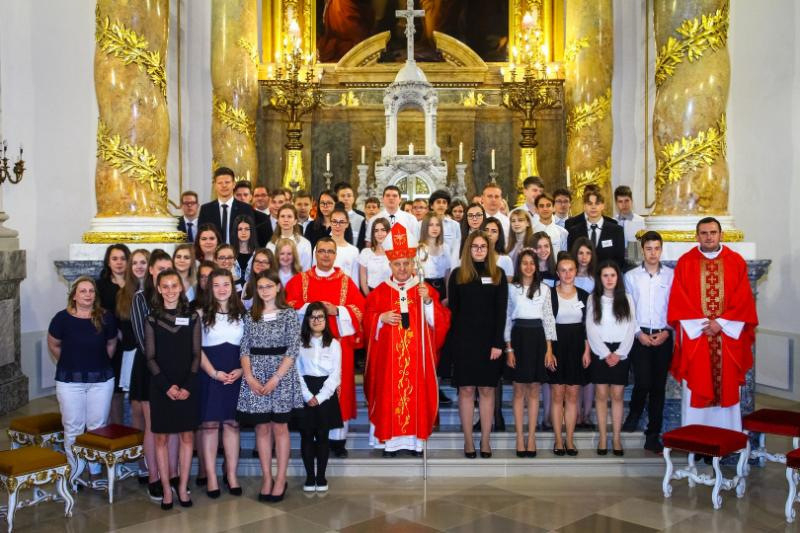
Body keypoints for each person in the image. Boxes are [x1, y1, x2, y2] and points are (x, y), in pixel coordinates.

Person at [364, 223, 450, 456]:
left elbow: (440, 323)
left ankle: (415, 443)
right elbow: (367, 320)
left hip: (416, 359)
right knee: (389, 397)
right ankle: (389, 443)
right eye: (397, 264)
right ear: (390, 265)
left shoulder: (423, 289)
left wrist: (429, 302)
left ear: (413, 264)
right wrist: (380, 318)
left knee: (415, 396)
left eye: (406, 263)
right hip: (388, 362)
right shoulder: (380, 292)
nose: (402, 268)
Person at [668, 217, 758, 431]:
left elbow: (744, 299)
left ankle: (728, 437)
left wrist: (721, 323)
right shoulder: (686, 262)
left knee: (727, 385)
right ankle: (695, 437)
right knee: (698, 380)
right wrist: (704, 324)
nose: (709, 237)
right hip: (697, 336)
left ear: (721, 235)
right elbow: (679, 300)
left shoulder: (735, 261)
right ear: (697, 236)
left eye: (713, 232)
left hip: (727, 336)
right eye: (704, 233)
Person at [285, 237, 365, 458]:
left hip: (338, 346)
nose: (326, 255)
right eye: (322, 251)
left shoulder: (346, 282)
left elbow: (359, 310)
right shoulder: (300, 280)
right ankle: (310, 437)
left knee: (339, 389)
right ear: (315, 254)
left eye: (330, 251)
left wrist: (337, 310)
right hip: (307, 347)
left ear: (335, 255)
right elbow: (288, 305)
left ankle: (337, 440)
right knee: (310, 387)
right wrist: (314, 308)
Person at [237, 270, 304, 502]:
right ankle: (267, 477)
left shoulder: (289, 314)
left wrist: (276, 377)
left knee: (280, 428)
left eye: (268, 286)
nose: (264, 291)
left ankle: (281, 478)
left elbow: (293, 348)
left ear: (278, 287)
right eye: (260, 287)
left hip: (281, 376)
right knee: (262, 428)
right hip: (255, 375)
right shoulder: (250, 315)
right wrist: (249, 377)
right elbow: (244, 348)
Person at [444, 231, 508, 459]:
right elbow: (453, 313)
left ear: (489, 250)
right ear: (468, 249)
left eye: (483, 246)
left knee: (487, 390)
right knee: (466, 390)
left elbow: (501, 312)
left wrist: (498, 343)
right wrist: (454, 345)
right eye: (475, 246)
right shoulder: (458, 275)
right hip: (464, 342)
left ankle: (486, 440)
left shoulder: (498, 274)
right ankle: (469, 441)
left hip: (490, 342)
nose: (479, 250)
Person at [47, 276, 118, 480]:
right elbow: (53, 344)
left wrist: (97, 362)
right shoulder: (61, 318)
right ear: (74, 296)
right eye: (83, 291)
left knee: (97, 426)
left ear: (95, 295)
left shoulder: (106, 317)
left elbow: (111, 344)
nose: (87, 294)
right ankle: (75, 471)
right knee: (73, 427)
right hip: (70, 381)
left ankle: (94, 470)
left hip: (101, 381)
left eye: (91, 291)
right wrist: (71, 362)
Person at [144, 269, 200, 510]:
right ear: (158, 289)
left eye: (174, 285)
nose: (169, 290)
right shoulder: (152, 319)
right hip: (161, 387)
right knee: (161, 439)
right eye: (164, 286)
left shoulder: (192, 317)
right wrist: (166, 386)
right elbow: (150, 357)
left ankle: (182, 487)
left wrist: (187, 386)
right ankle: (166, 489)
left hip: (187, 385)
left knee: (187, 437)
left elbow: (196, 355)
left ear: (181, 288)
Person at [623, 231, 674, 453]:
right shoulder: (631, 276)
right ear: (642, 250)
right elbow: (628, 308)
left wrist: (667, 331)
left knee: (658, 387)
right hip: (640, 336)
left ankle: (653, 434)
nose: (653, 253)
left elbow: (675, 306)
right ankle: (634, 413)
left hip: (663, 336)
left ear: (661, 250)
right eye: (649, 249)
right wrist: (638, 333)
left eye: (657, 248)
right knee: (642, 382)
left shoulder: (671, 276)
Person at [130, 249, 175, 500]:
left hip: (174, 369)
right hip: (150, 368)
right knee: (153, 425)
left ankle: (173, 474)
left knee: (174, 424)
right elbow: (142, 338)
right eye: (160, 269)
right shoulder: (141, 298)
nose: (165, 273)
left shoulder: (175, 296)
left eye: (169, 268)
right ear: (151, 271)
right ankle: (154, 476)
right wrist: (162, 368)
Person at [197, 268, 245, 498]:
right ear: (210, 288)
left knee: (232, 425)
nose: (222, 289)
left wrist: (242, 370)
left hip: (235, 374)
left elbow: (249, 346)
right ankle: (212, 477)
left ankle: (232, 475)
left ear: (232, 287)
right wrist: (213, 373)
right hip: (210, 375)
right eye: (216, 285)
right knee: (209, 426)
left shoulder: (243, 313)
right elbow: (196, 349)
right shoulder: (200, 313)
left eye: (226, 284)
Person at [504, 249, 556, 458]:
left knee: (534, 390)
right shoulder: (511, 289)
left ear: (536, 266)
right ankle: (519, 437)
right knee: (518, 390)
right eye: (524, 263)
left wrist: (549, 349)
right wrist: (509, 348)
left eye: (531, 263)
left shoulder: (544, 289)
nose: (528, 267)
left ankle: (532, 437)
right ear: (519, 266)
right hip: (518, 338)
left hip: (538, 339)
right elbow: (507, 318)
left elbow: (549, 319)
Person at [587, 260, 637, 456]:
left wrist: (619, 353)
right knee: (601, 395)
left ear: (618, 278)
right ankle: (602, 437)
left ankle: (616, 437)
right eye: (605, 275)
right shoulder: (593, 299)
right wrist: (605, 353)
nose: (609, 279)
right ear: (600, 278)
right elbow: (591, 328)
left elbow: (631, 327)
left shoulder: (627, 299)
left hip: (620, 352)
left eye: (613, 275)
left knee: (617, 395)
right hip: (601, 351)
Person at [294, 302, 343, 491]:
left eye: (320, 317)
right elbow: (296, 371)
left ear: (326, 320)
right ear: (307, 320)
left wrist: (320, 397)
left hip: (326, 392)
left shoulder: (334, 344)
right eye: (312, 317)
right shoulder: (299, 343)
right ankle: (309, 477)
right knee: (306, 435)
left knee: (323, 436)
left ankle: (321, 477)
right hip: (305, 390)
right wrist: (307, 395)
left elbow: (335, 374)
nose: (316, 320)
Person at [549, 253, 590, 456]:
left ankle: (570, 440)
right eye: (563, 270)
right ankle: (558, 439)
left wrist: (587, 350)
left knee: (573, 395)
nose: (567, 274)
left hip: (576, 347)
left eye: (570, 270)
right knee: (558, 395)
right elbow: (546, 324)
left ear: (576, 271)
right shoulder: (549, 294)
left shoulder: (584, 295)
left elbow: (587, 326)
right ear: (557, 273)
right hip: (556, 346)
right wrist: (548, 351)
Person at [116, 249, 150, 430]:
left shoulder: (157, 291)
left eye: (143, 262)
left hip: (150, 353)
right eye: (135, 263)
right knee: (133, 407)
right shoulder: (123, 294)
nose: (139, 266)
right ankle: (136, 445)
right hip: (131, 354)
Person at [96, 244, 129, 423]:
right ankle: (114, 430)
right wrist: (114, 332)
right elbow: (99, 315)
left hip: (131, 343)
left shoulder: (135, 284)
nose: (119, 262)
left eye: (123, 258)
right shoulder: (100, 286)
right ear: (108, 262)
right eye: (114, 259)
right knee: (113, 390)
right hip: (111, 342)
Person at [567, 189, 625, 268]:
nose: (593, 207)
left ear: (603, 206)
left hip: (607, 274)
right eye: (589, 204)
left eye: (597, 203)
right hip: (582, 274)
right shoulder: (574, 231)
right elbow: (571, 258)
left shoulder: (616, 231)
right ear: (584, 206)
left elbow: (620, 260)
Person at [198, 167, 256, 244]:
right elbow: (201, 236)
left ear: (234, 184)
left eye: (227, 182)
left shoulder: (246, 208)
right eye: (220, 183)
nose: (224, 185)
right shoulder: (206, 209)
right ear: (215, 185)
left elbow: (252, 236)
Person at [316, 207, 360, 282]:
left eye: (341, 222)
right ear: (330, 223)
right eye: (334, 221)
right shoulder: (320, 247)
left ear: (347, 224)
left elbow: (355, 281)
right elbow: (315, 274)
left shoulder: (354, 251)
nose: (337, 225)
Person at [267, 204, 313, 271]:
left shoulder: (305, 244)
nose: (286, 220)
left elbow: (306, 269)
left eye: (289, 216)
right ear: (278, 220)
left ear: (295, 221)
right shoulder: (271, 244)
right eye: (282, 216)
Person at [358, 217, 392, 295]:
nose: (379, 234)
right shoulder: (366, 253)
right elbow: (363, 282)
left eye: (383, 230)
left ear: (388, 232)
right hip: (370, 293)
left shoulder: (395, 254)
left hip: (391, 294)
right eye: (376, 231)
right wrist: (370, 298)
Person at [428, 189, 462, 264]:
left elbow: (456, 250)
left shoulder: (455, 225)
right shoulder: (422, 224)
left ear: (447, 206)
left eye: (444, 202)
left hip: (449, 265)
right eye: (438, 202)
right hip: (428, 266)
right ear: (431, 206)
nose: (441, 205)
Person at [335, 182, 367, 249]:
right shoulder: (332, 218)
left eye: (349, 196)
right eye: (342, 196)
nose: (346, 199)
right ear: (337, 198)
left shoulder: (361, 218)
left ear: (353, 198)